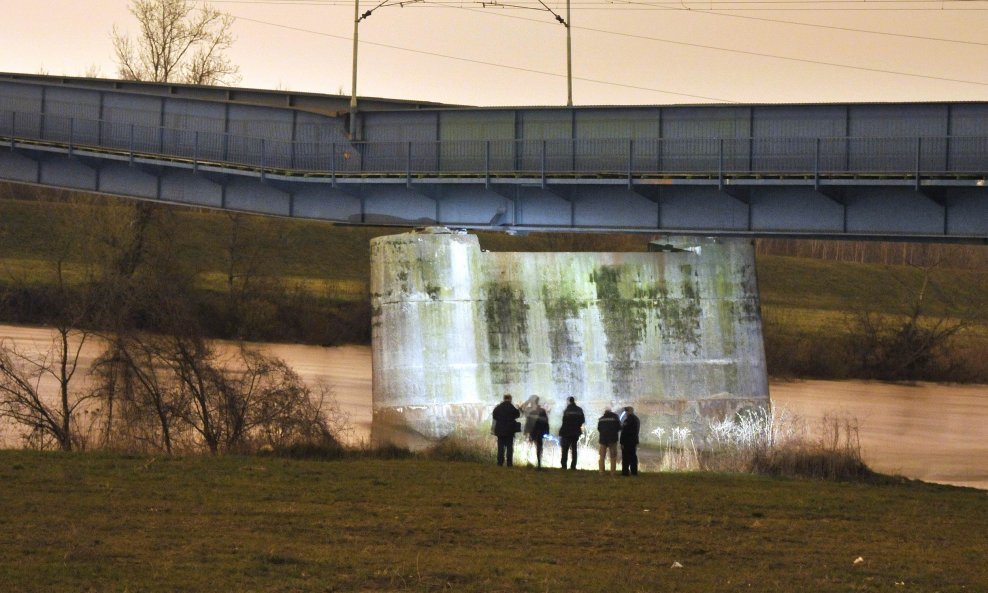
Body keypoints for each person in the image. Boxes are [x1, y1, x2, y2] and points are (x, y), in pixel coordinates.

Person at [492, 394, 521, 467]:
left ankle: (500, 462)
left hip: (500, 430)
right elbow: (517, 415)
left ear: (504, 398)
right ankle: (509, 463)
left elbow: (494, 416)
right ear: (510, 399)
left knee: (500, 447)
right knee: (509, 447)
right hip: (509, 431)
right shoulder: (511, 407)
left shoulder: (498, 407)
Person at [558, 396, 585, 470]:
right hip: (575, 432)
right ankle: (573, 466)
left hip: (567, 432)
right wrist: (577, 426)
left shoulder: (567, 410)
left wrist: (561, 432)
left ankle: (564, 466)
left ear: (569, 401)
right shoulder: (579, 410)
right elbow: (582, 420)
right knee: (574, 449)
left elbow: (564, 421)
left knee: (565, 449)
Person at [597, 407, 621, 474]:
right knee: (613, 456)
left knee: (602, 456)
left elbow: (599, 429)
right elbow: (619, 428)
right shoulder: (615, 418)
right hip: (612, 439)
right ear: (611, 412)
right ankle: (612, 472)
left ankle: (601, 471)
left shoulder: (601, 419)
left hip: (603, 439)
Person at [527, 400, 550, 469]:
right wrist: (546, 431)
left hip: (534, 432)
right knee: (539, 447)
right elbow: (546, 422)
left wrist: (527, 432)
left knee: (531, 446)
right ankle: (539, 463)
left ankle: (530, 462)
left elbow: (529, 423)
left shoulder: (532, 412)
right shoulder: (542, 412)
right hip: (540, 432)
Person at [620, 406, 641, 476]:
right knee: (633, 457)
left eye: (626, 411)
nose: (625, 413)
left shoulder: (628, 420)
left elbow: (624, 432)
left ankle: (625, 472)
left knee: (626, 457)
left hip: (627, 441)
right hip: (634, 441)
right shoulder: (637, 419)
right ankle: (634, 472)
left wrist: (621, 442)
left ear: (629, 411)